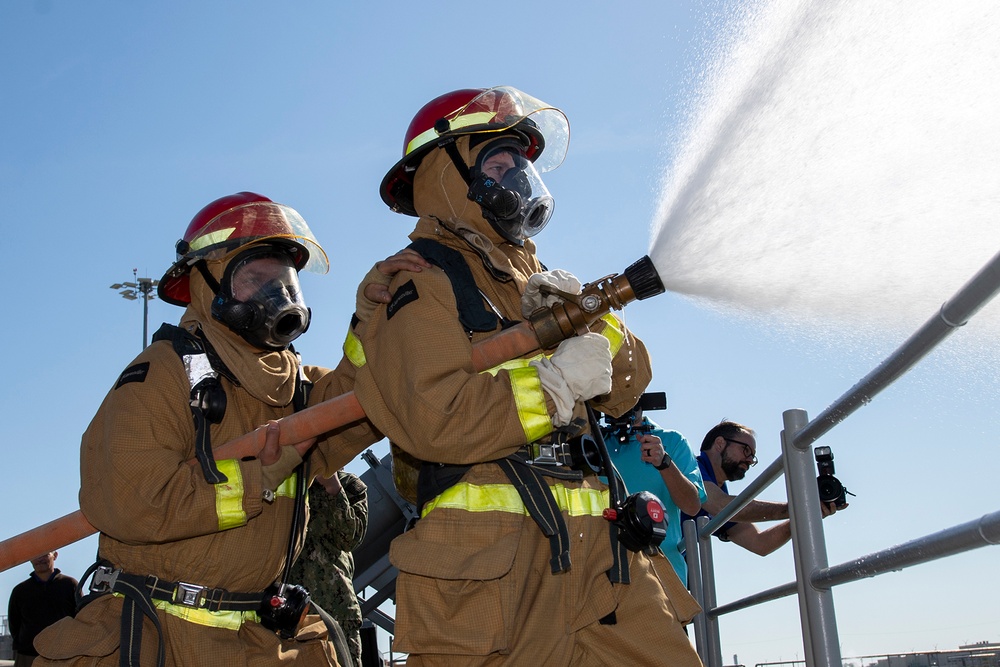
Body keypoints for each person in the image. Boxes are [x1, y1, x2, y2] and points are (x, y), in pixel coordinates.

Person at [351, 86, 703, 666]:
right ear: (451, 173)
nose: (517, 176)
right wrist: (557, 384)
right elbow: (436, 421)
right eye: (499, 162)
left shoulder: (539, 280)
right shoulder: (417, 282)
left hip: (605, 562)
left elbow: (627, 386)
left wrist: (597, 326)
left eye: (522, 163)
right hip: (489, 576)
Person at [32, 192, 422, 667]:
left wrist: (373, 320)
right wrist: (257, 477)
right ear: (208, 284)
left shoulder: (295, 385)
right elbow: (125, 500)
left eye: (283, 281)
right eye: (254, 279)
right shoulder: (164, 373)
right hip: (166, 638)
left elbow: (359, 402)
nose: (274, 296)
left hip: (258, 639)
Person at [681, 420, 845, 556]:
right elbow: (721, 506)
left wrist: (805, 513)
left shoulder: (720, 489)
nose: (750, 460)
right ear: (719, 443)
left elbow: (760, 543)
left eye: (753, 456)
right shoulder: (690, 467)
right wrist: (797, 507)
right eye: (746, 450)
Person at [601, 397, 706, 585]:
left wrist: (664, 462)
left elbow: (692, 506)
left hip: (660, 577)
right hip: (604, 575)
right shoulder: (592, 444)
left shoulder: (672, 441)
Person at [289, 470, 368, 667]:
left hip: (335, 609)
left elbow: (349, 538)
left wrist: (333, 488)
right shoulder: (286, 480)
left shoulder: (349, 485)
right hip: (290, 608)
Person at [7, 552, 77, 667]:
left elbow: (79, 617)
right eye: (35, 555)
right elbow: (14, 624)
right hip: (28, 656)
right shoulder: (20, 591)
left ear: (55, 555)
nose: (40, 559)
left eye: (44, 554)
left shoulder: (69, 585)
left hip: (63, 656)